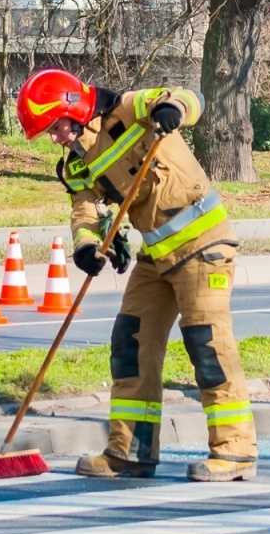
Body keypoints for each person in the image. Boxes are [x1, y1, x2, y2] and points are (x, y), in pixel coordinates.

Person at [17, 68, 257, 481]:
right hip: (158, 257)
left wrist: (172, 109)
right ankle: (130, 452)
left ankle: (235, 451)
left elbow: (190, 97)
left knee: (208, 345)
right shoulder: (75, 165)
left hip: (205, 246)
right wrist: (87, 247)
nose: (54, 139)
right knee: (130, 343)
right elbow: (86, 209)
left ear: (72, 110)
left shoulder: (131, 109)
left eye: (54, 128)